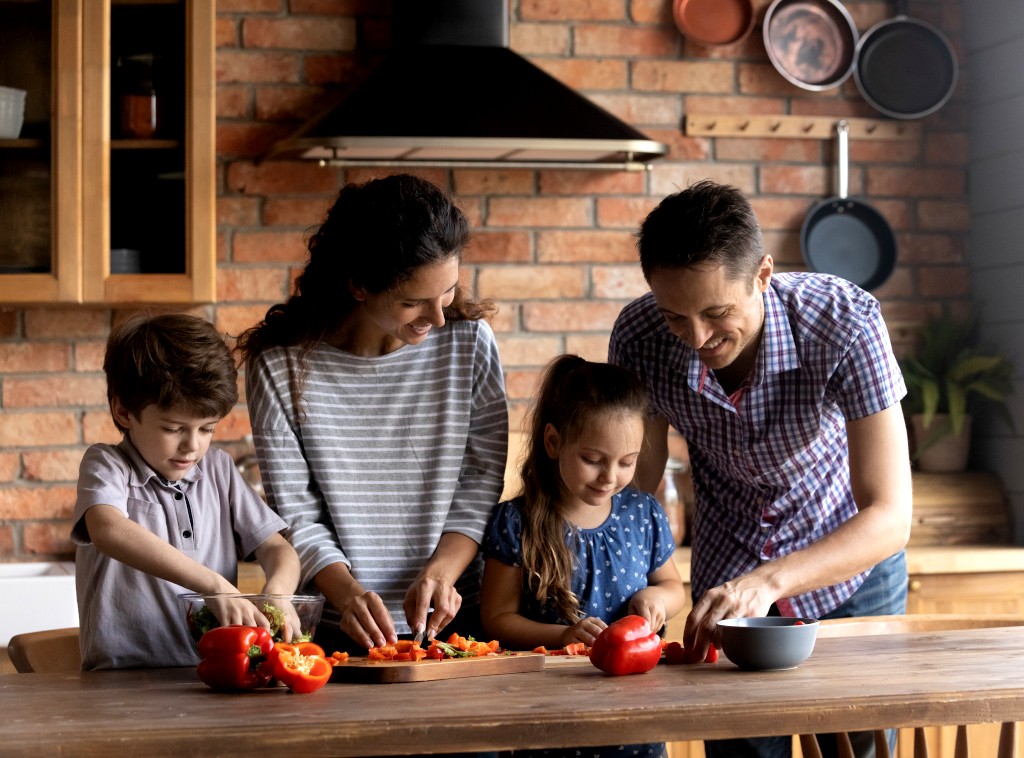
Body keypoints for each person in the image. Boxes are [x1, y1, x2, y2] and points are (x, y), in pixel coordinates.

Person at [609, 180, 913, 758]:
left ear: (763, 274)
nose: (697, 338)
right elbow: (636, 485)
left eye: (717, 312)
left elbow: (891, 515)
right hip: (729, 567)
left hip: (848, 564)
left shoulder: (845, 322)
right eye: (676, 315)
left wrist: (769, 581)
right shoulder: (641, 336)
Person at [236, 173, 508, 657]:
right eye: (412, 302)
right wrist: (348, 594)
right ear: (359, 285)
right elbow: (297, 511)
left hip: (460, 614)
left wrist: (441, 573)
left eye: (447, 291)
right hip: (341, 627)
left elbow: (480, 480)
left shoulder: (469, 344)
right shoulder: (280, 366)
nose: (439, 317)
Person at [481, 354, 685, 758]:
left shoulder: (642, 514)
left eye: (626, 462)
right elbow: (497, 619)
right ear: (554, 442)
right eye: (593, 460)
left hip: (635, 711)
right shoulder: (515, 521)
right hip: (546, 711)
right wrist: (563, 637)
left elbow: (672, 585)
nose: (610, 477)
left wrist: (657, 599)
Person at [73, 313, 302, 670]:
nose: (191, 447)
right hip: (121, 680)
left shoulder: (219, 470)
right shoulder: (108, 464)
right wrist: (212, 584)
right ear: (124, 412)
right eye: (173, 428)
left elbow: (277, 548)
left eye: (207, 429)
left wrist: (278, 593)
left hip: (213, 674)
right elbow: (107, 529)